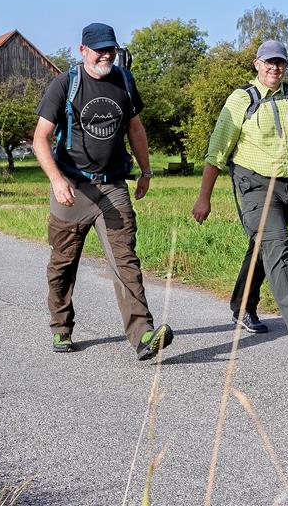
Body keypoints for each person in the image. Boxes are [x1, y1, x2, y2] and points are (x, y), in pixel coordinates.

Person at [32, 22, 174, 361]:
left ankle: (143, 335)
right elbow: (41, 138)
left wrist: (146, 170)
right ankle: (61, 327)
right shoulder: (65, 84)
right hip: (72, 187)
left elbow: (135, 128)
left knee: (125, 261)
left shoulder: (124, 80)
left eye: (110, 48)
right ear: (83, 51)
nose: (106, 54)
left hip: (113, 186)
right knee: (62, 265)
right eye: (99, 49)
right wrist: (56, 179)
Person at [191, 40, 288, 351]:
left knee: (263, 246)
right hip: (253, 183)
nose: (275, 68)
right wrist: (204, 197)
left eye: (280, 63)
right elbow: (217, 152)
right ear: (257, 64)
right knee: (278, 245)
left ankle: (242, 307)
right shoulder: (242, 100)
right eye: (269, 62)